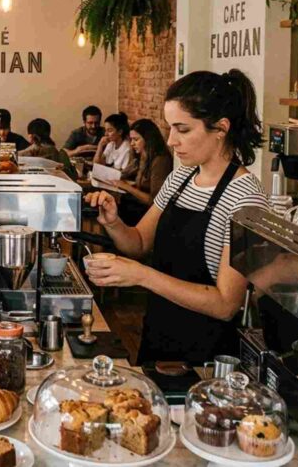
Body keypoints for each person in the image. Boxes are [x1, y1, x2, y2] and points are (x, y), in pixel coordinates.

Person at [84, 70, 269, 365]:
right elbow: (139, 243)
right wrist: (114, 223)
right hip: (159, 338)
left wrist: (141, 275)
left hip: (207, 360)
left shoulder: (245, 198)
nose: (171, 141)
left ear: (221, 128)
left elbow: (225, 304)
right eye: (170, 128)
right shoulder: (180, 178)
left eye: (182, 130)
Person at [115, 119, 174, 225]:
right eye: (131, 139)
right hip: (137, 207)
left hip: (149, 213)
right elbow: (125, 173)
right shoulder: (142, 155)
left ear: (148, 139)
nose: (132, 143)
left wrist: (127, 187)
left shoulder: (160, 160)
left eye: (136, 139)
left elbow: (154, 201)